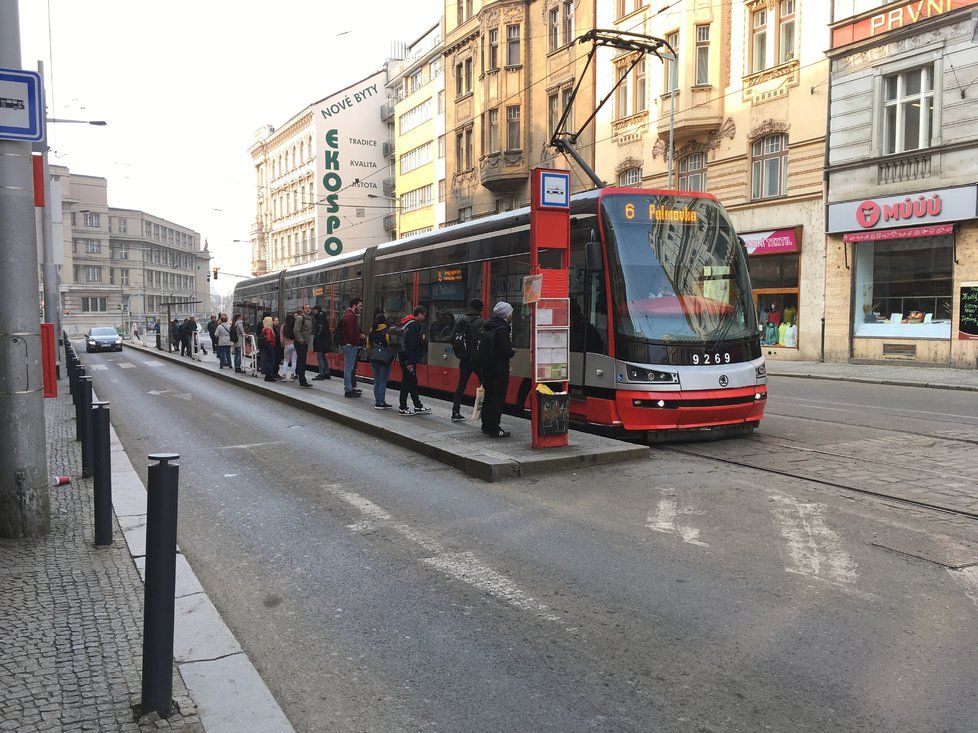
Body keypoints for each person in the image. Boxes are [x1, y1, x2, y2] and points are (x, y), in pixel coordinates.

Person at [480, 302, 516, 438]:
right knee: (498, 399)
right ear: (506, 314)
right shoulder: (502, 328)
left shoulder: (487, 325)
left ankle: (485, 425)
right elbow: (505, 350)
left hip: (487, 368)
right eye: (510, 312)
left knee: (488, 397)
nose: (511, 315)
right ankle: (495, 428)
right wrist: (512, 352)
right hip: (499, 369)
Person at [449, 298, 484, 422]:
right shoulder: (481, 322)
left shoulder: (461, 320)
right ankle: (482, 412)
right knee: (484, 384)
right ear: (480, 309)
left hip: (464, 358)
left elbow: (452, 338)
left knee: (461, 384)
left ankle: (455, 412)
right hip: (477, 359)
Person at [397, 305, 430, 415]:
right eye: (424, 315)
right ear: (419, 314)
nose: (424, 317)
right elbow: (411, 345)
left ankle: (417, 405)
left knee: (412, 381)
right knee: (407, 382)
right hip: (408, 360)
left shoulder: (407, 322)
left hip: (404, 357)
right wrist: (410, 362)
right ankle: (403, 407)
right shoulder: (413, 325)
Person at [367, 312, 394, 409]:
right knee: (383, 381)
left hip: (374, 358)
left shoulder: (371, 331)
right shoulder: (387, 331)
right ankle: (382, 403)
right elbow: (390, 345)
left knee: (377, 381)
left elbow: (368, 346)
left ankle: (377, 402)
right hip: (384, 359)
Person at [339, 297, 364, 398]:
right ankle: (348, 390)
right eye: (360, 306)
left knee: (348, 368)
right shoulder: (350, 316)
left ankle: (349, 389)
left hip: (348, 344)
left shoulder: (349, 315)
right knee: (349, 368)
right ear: (354, 305)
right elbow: (350, 333)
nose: (361, 308)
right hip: (350, 345)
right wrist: (355, 342)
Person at [292, 304, 314, 389]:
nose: (308, 309)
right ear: (303, 310)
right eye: (306, 308)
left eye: (309, 308)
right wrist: (301, 341)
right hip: (300, 343)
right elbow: (296, 330)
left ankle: (300, 377)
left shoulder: (309, 318)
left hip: (305, 343)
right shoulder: (300, 318)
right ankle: (302, 381)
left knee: (301, 361)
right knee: (302, 362)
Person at [312, 305, 332, 380]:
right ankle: (327, 373)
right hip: (325, 339)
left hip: (321, 340)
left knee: (319, 356)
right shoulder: (323, 316)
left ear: (316, 310)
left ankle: (321, 374)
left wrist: (317, 337)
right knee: (323, 356)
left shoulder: (319, 316)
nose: (313, 312)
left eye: (314, 310)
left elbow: (320, 328)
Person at [260, 316, 278, 382]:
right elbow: (268, 338)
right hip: (270, 346)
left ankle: (267, 376)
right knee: (271, 361)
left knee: (268, 361)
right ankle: (269, 376)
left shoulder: (264, 329)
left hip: (266, 347)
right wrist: (272, 341)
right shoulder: (269, 329)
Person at [280, 312, 296, 380]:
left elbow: (281, 339)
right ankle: (292, 375)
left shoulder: (283, 326)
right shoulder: (295, 326)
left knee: (286, 361)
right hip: (295, 345)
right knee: (294, 361)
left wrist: (284, 344)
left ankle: (284, 376)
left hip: (287, 345)